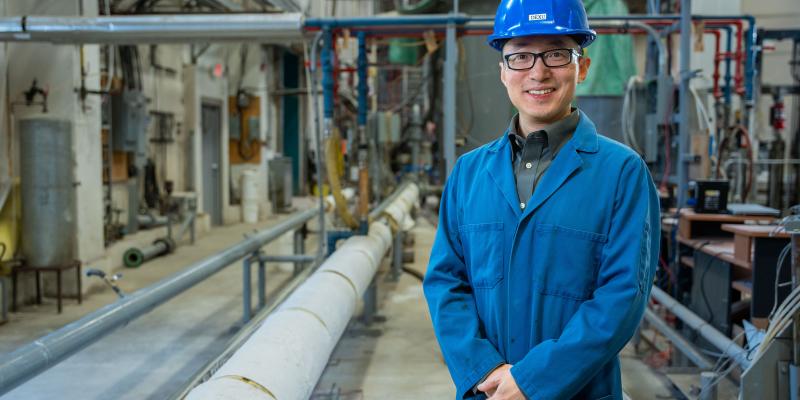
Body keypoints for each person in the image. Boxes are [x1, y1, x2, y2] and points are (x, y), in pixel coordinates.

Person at [422, 0, 660, 399]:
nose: (537, 71)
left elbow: (622, 297)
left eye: (555, 53)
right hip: (490, 391)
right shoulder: (468, 174)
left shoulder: (622, 173)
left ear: (581, 67)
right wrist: (484, 369)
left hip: (581, 391)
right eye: (520, 57)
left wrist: (534, 381)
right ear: (503, 72)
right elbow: (446, 283)